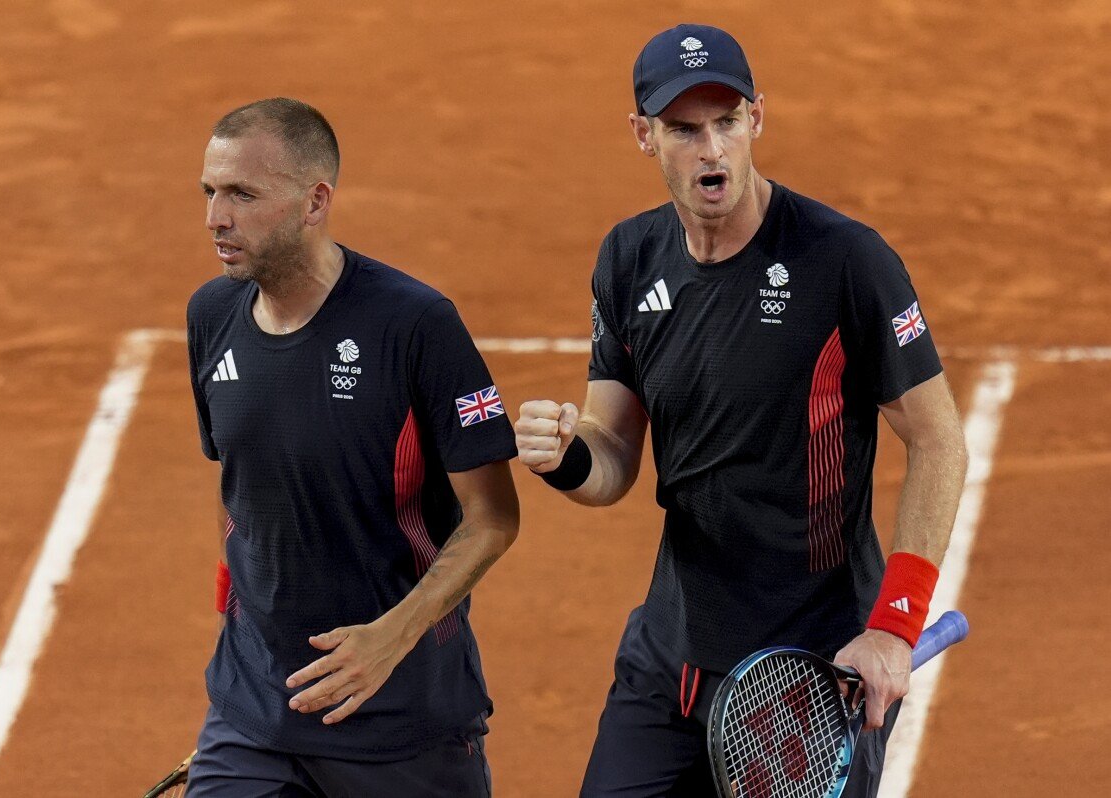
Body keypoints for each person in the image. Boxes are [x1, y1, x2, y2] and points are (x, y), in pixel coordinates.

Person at [514, 24, 968, 797]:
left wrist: (894, 626)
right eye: (684, 131)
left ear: (757, 118)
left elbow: (937, 442)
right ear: (643, 136)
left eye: (726, 122)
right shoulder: (628, 260)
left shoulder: (845, 263)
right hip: (671, 655)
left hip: (811, 673)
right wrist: (567, 457)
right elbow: (612, 453)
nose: (710, 150)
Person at [185, 97, 519, 797]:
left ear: (315, 202)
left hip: (403, 724)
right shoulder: (212, 315)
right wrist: (239, 606)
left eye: (242, 194)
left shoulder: (416, 326)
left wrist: (390, 637)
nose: (216, 216)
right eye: (210, 192)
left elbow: (494, 517)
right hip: (255, 718)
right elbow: (240, 480)